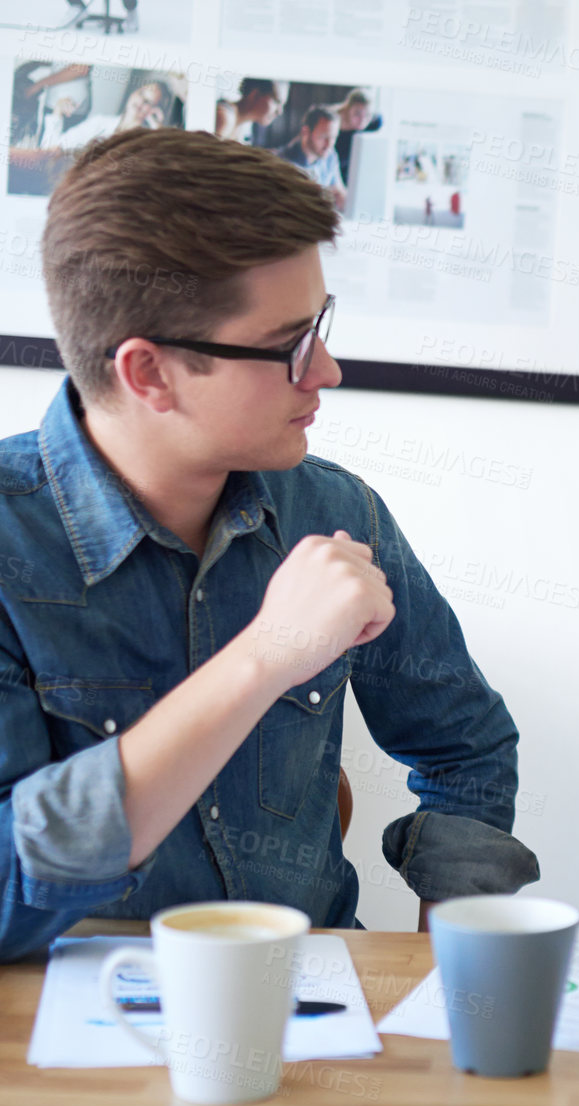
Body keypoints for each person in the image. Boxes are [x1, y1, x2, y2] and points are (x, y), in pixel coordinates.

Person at [0, 128, 538, 962]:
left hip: (313, 1021)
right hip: (60, 1047)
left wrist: (445, 976)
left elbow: (465, 744)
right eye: (289, 343)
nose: (327, 369)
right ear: (149, 373)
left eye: (319, 324)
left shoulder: (334, 509)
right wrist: (268, 655)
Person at [51, 79, 170, 151]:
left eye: (148, 102)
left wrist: (158, 131)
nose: (141, 102)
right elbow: (53, 148)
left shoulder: (146, 141)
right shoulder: (100, 122)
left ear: (155, 111)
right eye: (141, 94)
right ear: (134, 92)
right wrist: (57, 112)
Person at [278, 104, 346, 210]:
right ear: (305, 132)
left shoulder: (330, 155)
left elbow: (339, 190)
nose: (329, 144)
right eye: (323, 137)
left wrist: (342, 198)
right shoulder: (284, 162)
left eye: (333, 137)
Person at [333, 88, 382, 187]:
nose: (362, 121)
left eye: (367, 115)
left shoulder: (374, 122)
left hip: (352, 171)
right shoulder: (333, 123)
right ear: (347, 109)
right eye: (357, 114)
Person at [215, 77, 286, 143]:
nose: (280, 112)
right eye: (276, 102)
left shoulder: (240, 127)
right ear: (255, 94)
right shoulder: (225, 117)